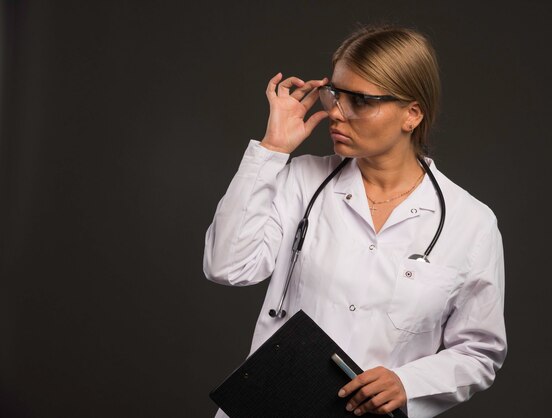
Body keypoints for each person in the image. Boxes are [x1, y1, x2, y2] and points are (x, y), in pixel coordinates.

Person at [203, 25, 506, 418]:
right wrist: (272, 149)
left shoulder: (471, 223)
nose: (335, 111)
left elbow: (479, 351)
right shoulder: (301, 179)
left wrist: (408, 383)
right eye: (336, 93)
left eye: (360, 100)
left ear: (412, 114)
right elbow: (227, 266)